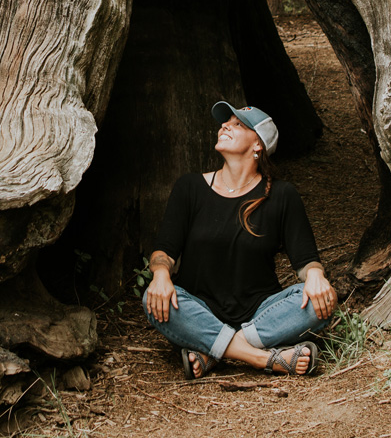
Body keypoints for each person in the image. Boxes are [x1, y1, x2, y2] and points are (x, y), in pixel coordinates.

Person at [144, 102, 337, 379]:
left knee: (322, 301)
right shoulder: (190, 187)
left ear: (258, 144)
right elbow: (164, 251)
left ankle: (213, 350)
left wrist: (316, 276)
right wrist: (161, 275)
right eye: (225, 122)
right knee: (152, 298)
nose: (225, 126)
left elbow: (306, 260)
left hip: (261, 313)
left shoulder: (282, 195)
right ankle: (262, 358)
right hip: (200, 309)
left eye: (237, 124)